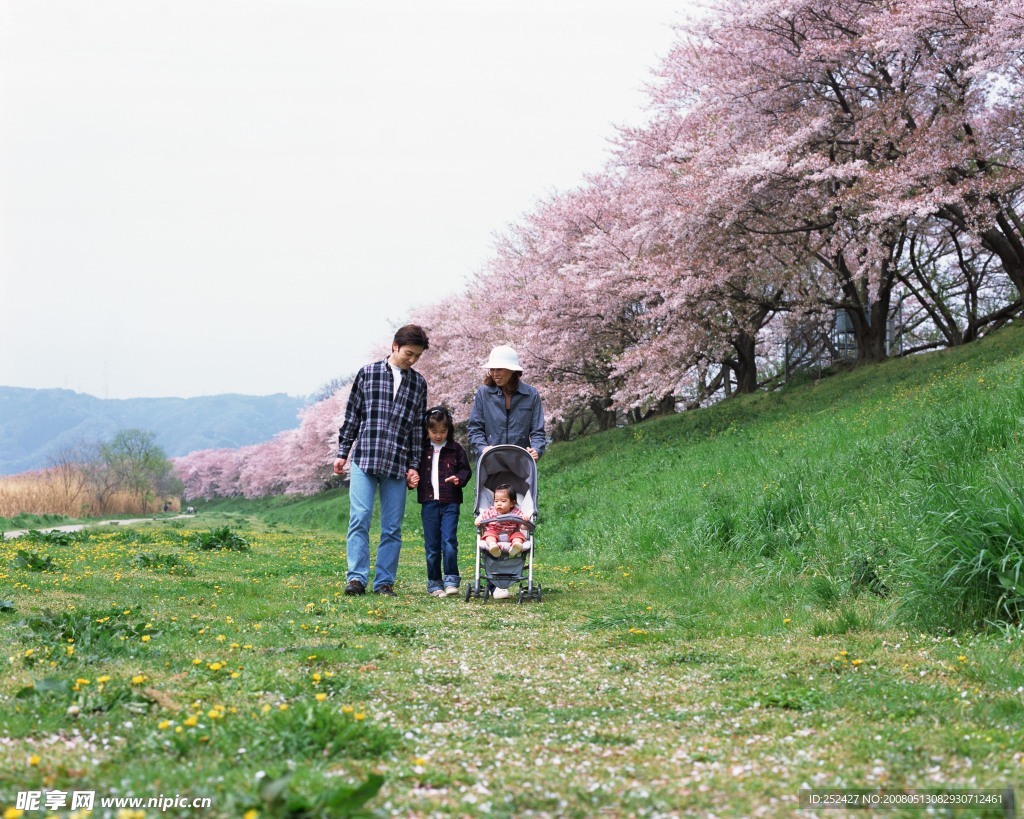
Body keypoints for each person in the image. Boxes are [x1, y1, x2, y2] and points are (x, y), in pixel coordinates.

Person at [334, 324, 429, 597]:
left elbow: (417, 429)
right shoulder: (368, 373)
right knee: (360, 518)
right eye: (408, 353)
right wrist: (343, 453)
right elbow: (353, 416)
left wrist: (414, 465)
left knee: (392, 526)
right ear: (394, 346)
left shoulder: (419, 384)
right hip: (364, 457)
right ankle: (356, 579)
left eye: (417, 357)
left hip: (397, 463)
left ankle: (384, 582)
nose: (411, 360)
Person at [416, 406, 472, 598]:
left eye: (443, 432)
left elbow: (466, 470)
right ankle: (434, 583)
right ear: (427, 430)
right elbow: (413, 469)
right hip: (429, 503)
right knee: (432, 546)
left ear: (449, 430)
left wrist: (459, 479)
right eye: (434, 432)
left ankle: (451, 579)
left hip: (450, 502)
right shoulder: (422, 450)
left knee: (449, 541)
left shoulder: (456, 450)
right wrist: (412, 478)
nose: (438, 436)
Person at [466, 345, 546, 461]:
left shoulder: (531, 395)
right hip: (490, 462)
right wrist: (483, 449)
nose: (494, 374)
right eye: (492, 369)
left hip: (521, 462)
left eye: (499, 369)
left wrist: (536, 450)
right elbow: (475, 429)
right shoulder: (483, 394)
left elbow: (538, 431)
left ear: (512, 370)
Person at [474, 484, 528, 559]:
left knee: (518, 535)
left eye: (503, 501)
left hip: (510, 534)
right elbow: (482, 517)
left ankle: (516, 546)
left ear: (512, 503)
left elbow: (523, 527)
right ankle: (493, 546)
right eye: (496, 501)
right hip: (494, 532)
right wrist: (478, 520)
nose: (499, 504)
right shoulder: (491, 511)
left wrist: (525, 520)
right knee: (489, 535)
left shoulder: (516, 512)